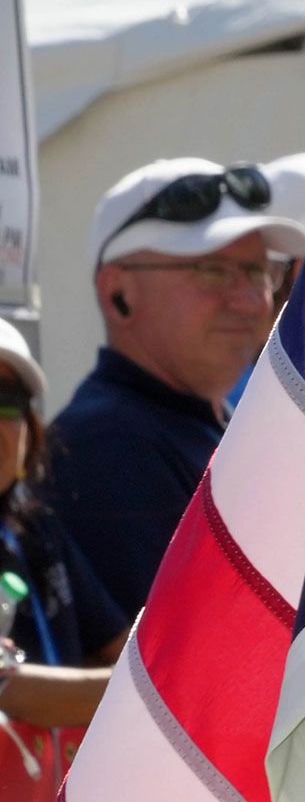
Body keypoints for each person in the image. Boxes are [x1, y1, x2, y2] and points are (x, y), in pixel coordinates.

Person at [51, 160, 304, 614]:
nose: (250, 301)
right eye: (212, 270)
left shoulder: (202, 425)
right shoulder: (109, 446)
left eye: (258, 272)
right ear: (118, 293)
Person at [0, 318, 122, 798]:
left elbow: (120, 644)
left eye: (6, 403)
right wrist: (148, 685)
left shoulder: (36, 531)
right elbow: (12, 691)